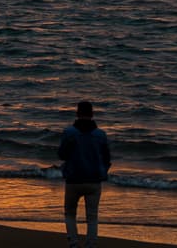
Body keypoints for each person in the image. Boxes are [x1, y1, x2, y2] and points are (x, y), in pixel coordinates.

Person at [58, 99, 111, 248]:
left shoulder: (69, 133)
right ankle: (91, 244)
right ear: (92, 114)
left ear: (77, 113)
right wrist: (103, 171)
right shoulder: (100, 134)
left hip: (73, 179)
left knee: (70, 213)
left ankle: (74, 243)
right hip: (94, 179)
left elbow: (62, 154)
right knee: (92, 216)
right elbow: (107, 158)